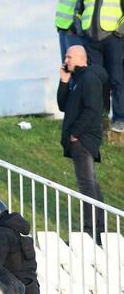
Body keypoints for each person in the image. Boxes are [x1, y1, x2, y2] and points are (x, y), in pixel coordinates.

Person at [58, 44, 106, 236]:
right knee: (90, 183)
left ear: (80, 58)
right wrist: (63, 81)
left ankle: (92, 230)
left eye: (69, 57)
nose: (65, 61)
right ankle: (97, 229)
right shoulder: (76, 79)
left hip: (84, 139)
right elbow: (63, 105)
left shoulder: (89, 78)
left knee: (87, 184)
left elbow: (92, 109)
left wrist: (75, 134)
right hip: (80, 139)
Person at [86, 0, 124, 132]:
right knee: (98, 81)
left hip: (112, 40)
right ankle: (100, 118)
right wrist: (82, 27)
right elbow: (79, 9)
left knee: (116, 79)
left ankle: (119, 118)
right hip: (92, 40)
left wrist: (118, 32)